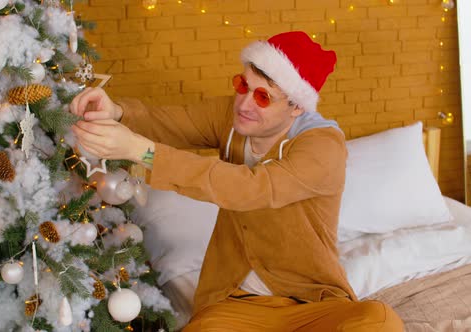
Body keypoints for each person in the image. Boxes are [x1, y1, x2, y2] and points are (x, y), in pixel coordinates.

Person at [70, 31, 404, 331]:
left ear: (296, 108)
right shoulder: (234, 117)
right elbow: (169, 121)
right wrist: (118, 113)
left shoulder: (322, 148)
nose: (244, 103)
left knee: (379, 320)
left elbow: (250, 187)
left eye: (263, 97)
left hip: (311, 303)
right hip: (237, 303)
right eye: (243, 85)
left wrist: (142, 152)